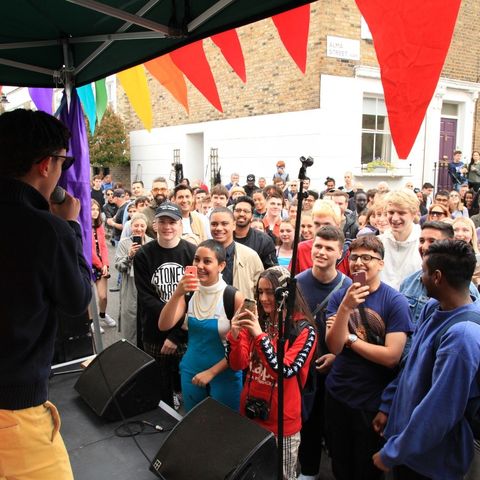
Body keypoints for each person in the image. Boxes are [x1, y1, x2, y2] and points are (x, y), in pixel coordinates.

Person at [0, 109, 92, 479]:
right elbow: (77, 299)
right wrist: (70, 226)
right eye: (62, 161)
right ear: (44, 165)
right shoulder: (46, 230)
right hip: (14, 415)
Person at [372, 240, 480, 479]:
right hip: (407, 449)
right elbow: (410, 366)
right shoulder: (434, 307)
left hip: (431, 463)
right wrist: (389, 405)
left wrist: (393, 451)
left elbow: (440, 409)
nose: (420, 277)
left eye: (423, 271)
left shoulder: (462, 337)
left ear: (438, 276)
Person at [325, 235, 412, 480]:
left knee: (367, 470)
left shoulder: (395, 302)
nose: (359, 263)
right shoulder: (340, 296)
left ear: (381, 264)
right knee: (339, 463)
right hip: (338, 394)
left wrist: (351, 340)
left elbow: (391, 357)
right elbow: (334, 346)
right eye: (354, 257)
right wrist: (345, 307)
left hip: (371, 401)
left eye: (367, 258)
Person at [226, 267, 317, 480]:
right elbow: (237, 364)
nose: (264, 298)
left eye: (270, 292)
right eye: (260, 292)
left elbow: (285, 370)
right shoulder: (260, 322)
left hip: (283, 426)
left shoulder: (304, 330)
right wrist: (235, 334)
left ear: (285, 294)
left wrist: (259, 336)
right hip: (250, 416)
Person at [159, 240, 244, 411]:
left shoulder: (233, 297)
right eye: (196, 260)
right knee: (196, 427)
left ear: (221, 266)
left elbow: (241, 349)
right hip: (191, 372)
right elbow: (164, 325)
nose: (199, 265)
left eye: (207, 261)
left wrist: (211, 372)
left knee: (224, 427)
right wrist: (177, 293)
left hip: (224, 376)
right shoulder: (189, 293)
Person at [296, 226, 353, 480]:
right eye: (318, 246)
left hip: (335, 370)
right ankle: (308, 472)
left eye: (329, 248)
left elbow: (355, 331)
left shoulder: (348, 286)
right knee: (307, 422)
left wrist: (336, 356)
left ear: (340, 253)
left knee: (334, 425)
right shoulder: (296, 282)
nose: (321, 252)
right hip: (303, 368)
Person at [133, 202, 196, 407]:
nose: (167, 227)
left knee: (187, 388)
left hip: (185, 333)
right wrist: (167, 325)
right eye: (163, 222)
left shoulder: (192, 253)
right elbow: (146, 298)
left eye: (172, 222)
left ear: (180, 225)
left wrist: (176, 334)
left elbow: (195, 298)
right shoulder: (143, 255)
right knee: (160, 391)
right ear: (155, 224)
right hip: (154, 333)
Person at [115, 213, 154, 344]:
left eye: (142, 225)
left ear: (146, 226)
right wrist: (129, 256)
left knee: (147, 317)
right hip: (130, 285)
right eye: (136, 225)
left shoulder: (152, 243)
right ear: (131, 226)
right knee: (131, 319)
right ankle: (131, 351)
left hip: (148, 286)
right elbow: (118, 266)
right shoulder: (124, 243)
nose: (139, 228)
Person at [209, 207, 264, 299]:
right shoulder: (201, 254)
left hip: (240, 311)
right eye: (214, 224)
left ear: (234, 225)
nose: (218, 228)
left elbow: (259, 291)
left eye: (224, 224)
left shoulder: (250, 256)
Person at [378, 189, 422, 289]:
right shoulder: (378, 243)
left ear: (414, 213)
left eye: (401, 213)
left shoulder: (423, 244)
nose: (394, 218)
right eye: (391, 212)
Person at [233, 196, 278, 269]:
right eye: (238, 210)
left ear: (252, 216)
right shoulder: (223, 237)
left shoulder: (264, 241)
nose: (241, 214)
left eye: (246, 211)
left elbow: (272, 270)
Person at [91, 199, 116, 329]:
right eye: (92, 209)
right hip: (89, 265)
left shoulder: (99, 225)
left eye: (97, 209)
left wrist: (105, 264)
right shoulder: (84, 227)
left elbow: (103, 247)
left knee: (103, 297)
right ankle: (92, 322)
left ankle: (102, 315)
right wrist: (100, 265)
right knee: (89, 298)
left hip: (101, 265)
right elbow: (89, 250)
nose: (95, 212)